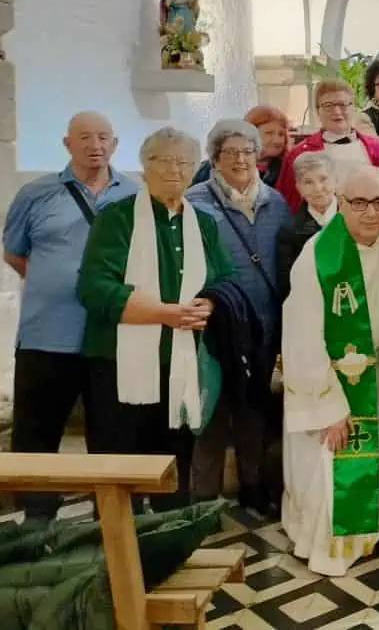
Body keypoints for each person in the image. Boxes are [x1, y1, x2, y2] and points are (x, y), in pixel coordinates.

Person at [78, 127, 232, 510]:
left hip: (181, 363)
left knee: (175, 460)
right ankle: (119, 538)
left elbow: (226, 280)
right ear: (145, 166)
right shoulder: (118, 218)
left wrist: (210, 304)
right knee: (119, 461)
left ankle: (170, 530)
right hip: (117, 364)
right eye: (164, 161)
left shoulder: (204, 224)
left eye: (184, 162)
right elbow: (94, 288)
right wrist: (165, 314)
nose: (174, 170)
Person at [2, 111, 139, 521]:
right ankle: (37, 522)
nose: (95, 145)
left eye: (103, 137)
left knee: (114, 434)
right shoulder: (35, 194)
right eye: (84, 137)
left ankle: (111, 522)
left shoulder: (134, 194)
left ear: (114, 144)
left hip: (111, 338)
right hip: (47, 334)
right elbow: (15, 253)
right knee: (36, 433)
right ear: (67, 143)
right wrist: (58, 283)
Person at [280, 164, 379, 575]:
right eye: (359, 203)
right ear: (341, 202)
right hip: (332, 381)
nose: (372, 212)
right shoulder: (318, 255)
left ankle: (373, 527)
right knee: (329, 465)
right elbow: (301, 336)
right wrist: (329, 407)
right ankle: (332, 545)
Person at [186, 120, 293, 511]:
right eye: (230, 152)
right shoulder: (195, 201)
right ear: (215, 159)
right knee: (211, 411)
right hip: (216, 327)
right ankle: (203, 498)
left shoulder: (276, 203)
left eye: (247, 151)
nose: (240, 160)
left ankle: (253, 486)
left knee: (254, 409)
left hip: (263, 325)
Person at [278, 79, 379, 212]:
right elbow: (287, 204)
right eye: (328, 105)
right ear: (318, 111)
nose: (337, 111)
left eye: (343, 104)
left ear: (354, 108)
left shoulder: (378, 149)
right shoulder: (299, 154)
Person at [276, 151, 338, 299]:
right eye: (308, 182)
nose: (318, 188)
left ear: (335, 180)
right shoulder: (289, 232)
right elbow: (288, 284)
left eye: (323, 179)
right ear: (298, 187)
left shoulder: (354, 216)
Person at [193, 105, 290, 187]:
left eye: (281, 134)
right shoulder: (212, 167)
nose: (277, 140)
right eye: (269, 133)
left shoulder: (287, 169)